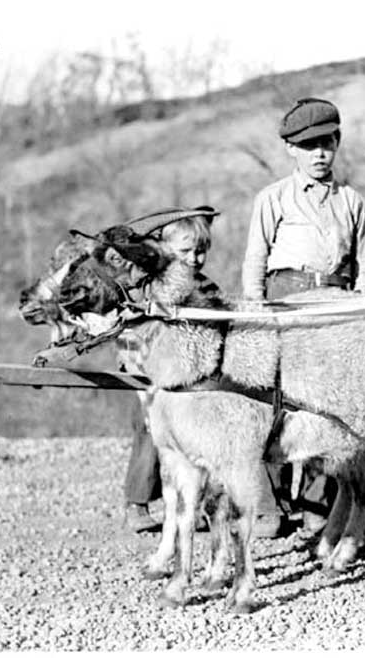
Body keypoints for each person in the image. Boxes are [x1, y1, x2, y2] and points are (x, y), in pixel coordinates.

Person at [242, 97, 365, 537]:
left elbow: (363, 272)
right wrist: (256, 313)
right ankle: (270, 504)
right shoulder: (273, 199)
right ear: (290, 150)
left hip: (335, 308)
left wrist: (363, 310)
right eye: (310, 145)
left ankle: (319, 503)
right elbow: (255, 262)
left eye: (328, 143)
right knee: (274, 400)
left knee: (329, 405)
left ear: (337, 144)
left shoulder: (351, 202)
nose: (320, 153)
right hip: (285, 304)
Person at [121, 209, 221, 533]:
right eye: (185, 251)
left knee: (193, 442)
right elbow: (130, 336)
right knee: (150, 435)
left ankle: (193, 504)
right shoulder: (146, 289)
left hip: (189, 380)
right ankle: (137, 502)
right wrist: (138, 379)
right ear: (165, 250)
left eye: (200, 251)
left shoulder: (205, 288)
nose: (194, 258)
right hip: (147, 377)